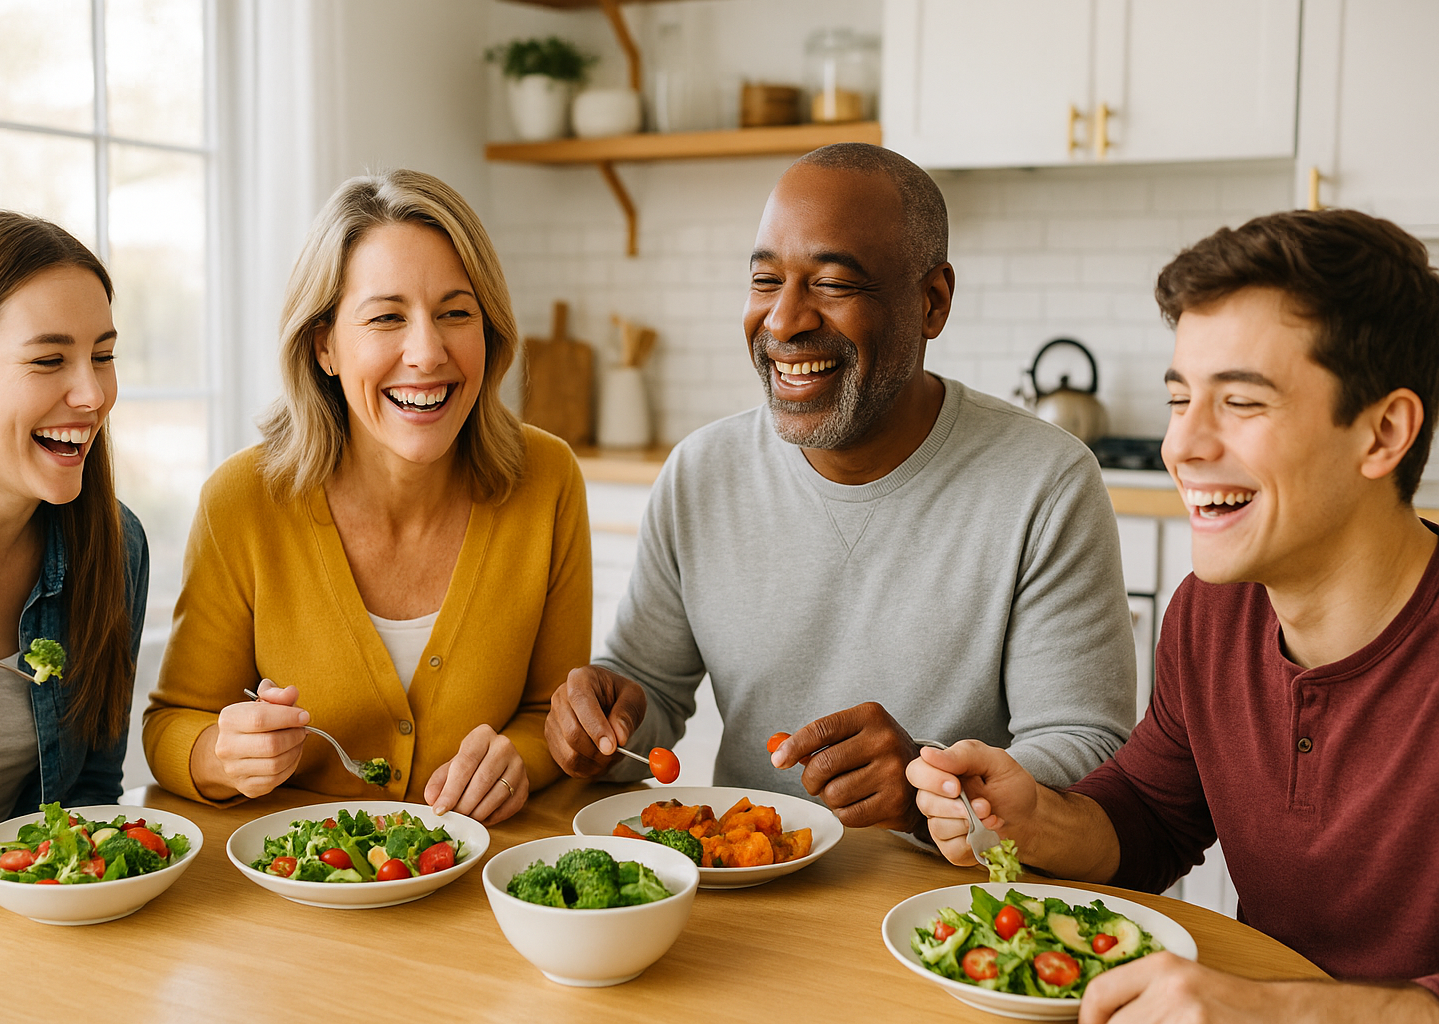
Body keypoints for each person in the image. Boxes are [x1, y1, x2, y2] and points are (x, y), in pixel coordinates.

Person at [910, 209, 1439, 1020]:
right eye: (1180, 398)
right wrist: (1040, 819)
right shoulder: (1212, 616)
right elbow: (1154, 816)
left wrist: (1280, 1012)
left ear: (1383, 432)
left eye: (1241, 402)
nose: (1182, 445)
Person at [545, 142, 1136, 836]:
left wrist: (926, 782)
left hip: (949, 909)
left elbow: (1091, 754)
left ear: (932, 302)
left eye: (833, 284)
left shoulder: (1046, 484)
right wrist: (605, 723)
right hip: (754, 887)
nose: (784, 321)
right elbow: (646, 693)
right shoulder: (701, 474)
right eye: (766, 281)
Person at [143, 170, 590, 825]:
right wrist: (222, 753)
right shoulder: (241, 502)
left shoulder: (548, 479)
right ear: (324, 343)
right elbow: (171, 726)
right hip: (302, 894)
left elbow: (554, 711)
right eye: (387, 317)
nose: (427, 351)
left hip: (482, 887)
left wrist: (517, 759)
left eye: (455, 313)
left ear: (489, 330)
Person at [0, 210, 149, 881]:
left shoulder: (115, 545)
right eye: (48, 359)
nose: (92, 394)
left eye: (103, 356)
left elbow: (90, 798)